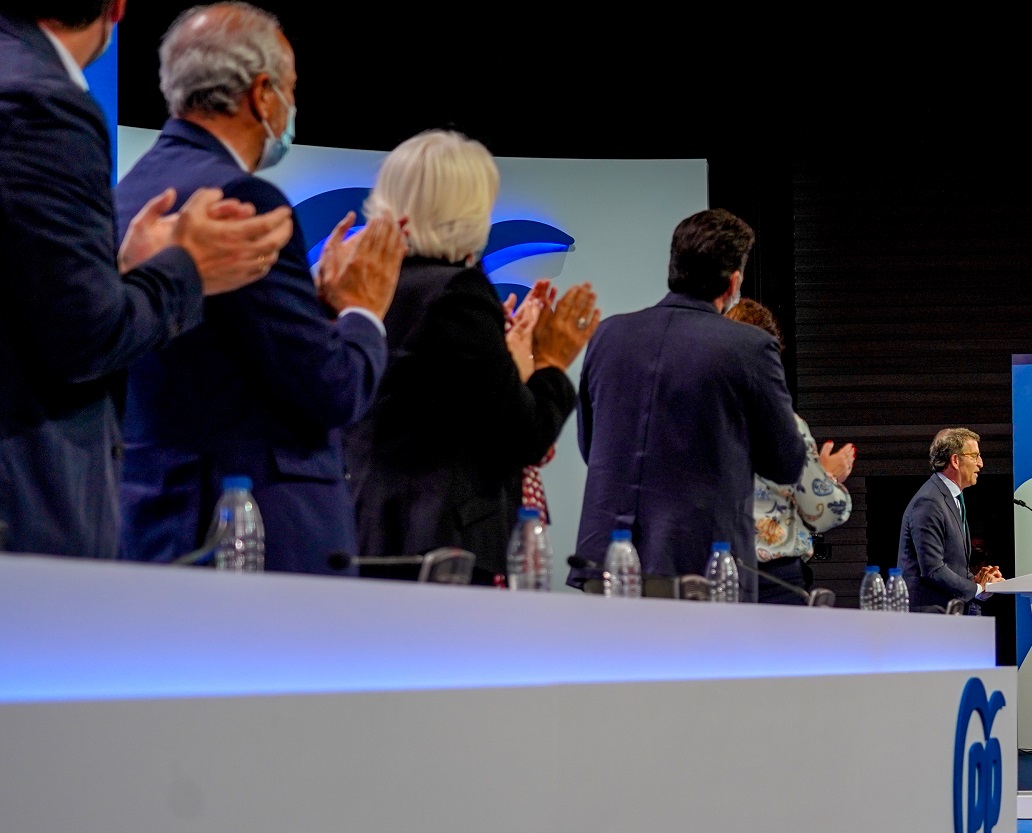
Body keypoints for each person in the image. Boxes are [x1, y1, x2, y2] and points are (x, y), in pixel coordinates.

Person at [111, 1, 406, 575]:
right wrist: (362, 311)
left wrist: (313, 304)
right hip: (253, 535)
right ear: (262, 93)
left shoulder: (126, 194)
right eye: (291, 89)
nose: (292, 107)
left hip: (151, 517)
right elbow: (329, 389)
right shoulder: (246, 203)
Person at [1, 0, 295, 560]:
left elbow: (33, 299)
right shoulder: (42, 103)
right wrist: (186, 270)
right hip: (30, 514)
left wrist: (120, 272)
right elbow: (84, 338)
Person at [342, 128, 598, 586]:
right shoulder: (457, 293)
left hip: (366, 528)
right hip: (442, 546)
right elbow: (524, 435)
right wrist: (552, 360)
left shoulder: (369, 287)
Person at [570, 208, 806, 600]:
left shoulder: (608, 335)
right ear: (733, 282)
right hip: (701, 566)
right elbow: (786, 462)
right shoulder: (749, 346)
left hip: (607, 561)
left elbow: (591, 446)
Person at [724, 298, 856, 604]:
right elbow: (824, 510)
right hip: (775, 580)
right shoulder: (784, 424)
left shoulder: (700, 417)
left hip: (714, 576)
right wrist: (827, 475)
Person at [896, 427, 1004, 613]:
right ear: (955, 460)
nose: (980, 464)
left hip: (950, 612)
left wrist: (976, 580)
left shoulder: (951, 497)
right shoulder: (929, 501)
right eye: (975, 456)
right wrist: (977, 589)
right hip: (930, 616)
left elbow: (952, 563)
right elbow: (932, 569)